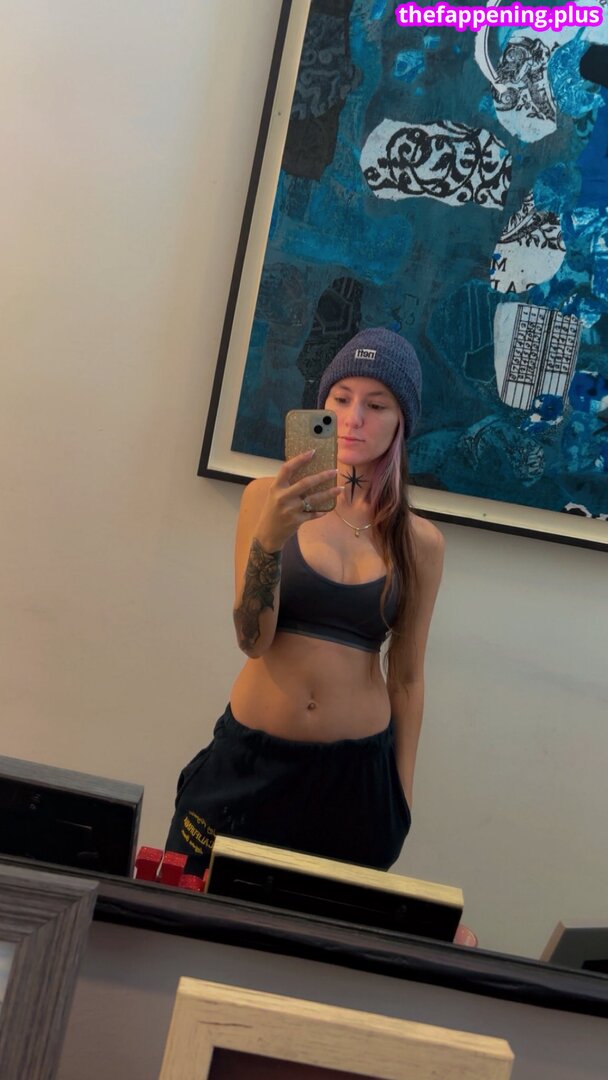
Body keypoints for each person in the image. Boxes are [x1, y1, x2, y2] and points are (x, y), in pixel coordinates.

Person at [165, 328, 445, 874]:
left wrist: (401, 797)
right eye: (341, 399)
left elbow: (408, 679)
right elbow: (252, 640)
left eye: (376, 405)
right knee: (186, 904)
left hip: (355, 784)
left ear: (401, 422)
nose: (353, 418)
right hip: (249, 766)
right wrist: (271, 538)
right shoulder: (265, 500)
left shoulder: (420, 543)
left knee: (320, 926)